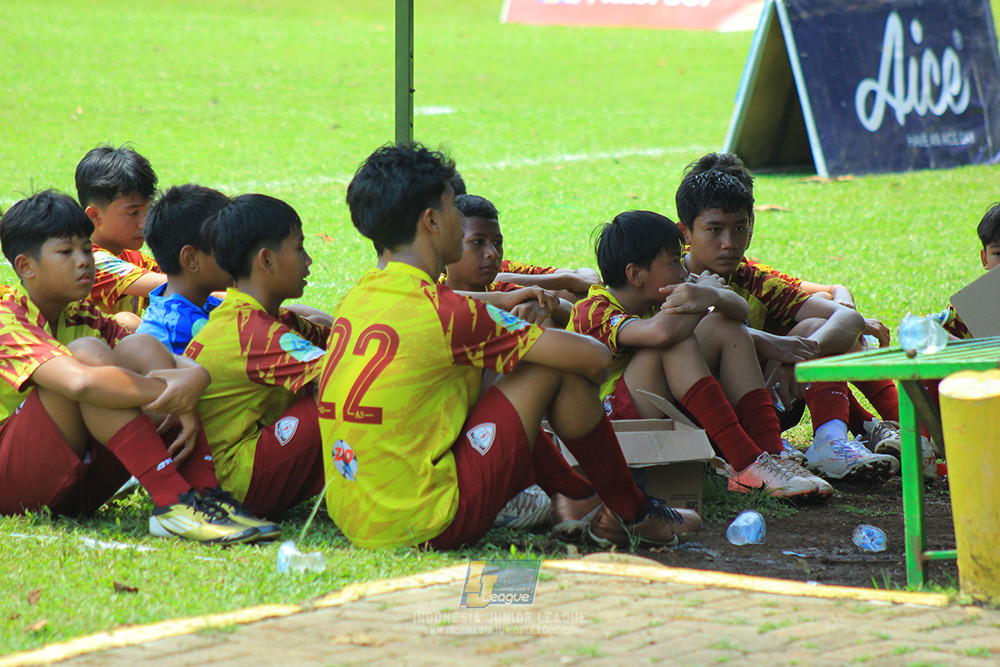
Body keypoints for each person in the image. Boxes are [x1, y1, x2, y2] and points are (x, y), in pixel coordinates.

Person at [318, 142, 701, 549]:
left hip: (356, 515)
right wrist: (524, 326)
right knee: (550, 365)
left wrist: (504, 305)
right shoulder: (449, 315)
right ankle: (631, 512)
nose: (458, 218)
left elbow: (445, 312)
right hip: (424, 523)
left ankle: (579, 496)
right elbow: (595, 357)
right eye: (452, 209)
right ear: (431, 221)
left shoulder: (356, 297)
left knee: (492, 370)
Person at [0, 190, 274, 543]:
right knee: (88, 354)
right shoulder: (6, 318)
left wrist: (194, 376)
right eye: (66, 252)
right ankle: (172, 500)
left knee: (139, 345)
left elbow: (151, 352)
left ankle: (205, 493)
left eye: (86, 249)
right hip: (12, 486)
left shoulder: (80, 314)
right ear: (25, 266)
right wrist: (170, 391)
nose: (84, 261)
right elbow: (80, 383)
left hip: (76, 489)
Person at [569, 210, 830, 499]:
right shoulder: (592, 310)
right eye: (673, 263)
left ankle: (772, 456)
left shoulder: (661, 297)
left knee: (725, 326)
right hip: (607, 423)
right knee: (675, 342)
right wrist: (702, 294)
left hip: (657, 413)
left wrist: (714, 295)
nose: (683, 272)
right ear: (635, 274)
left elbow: (739, 312)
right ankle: (744, 461)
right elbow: (662, 333)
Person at [675, 165, 899, 482]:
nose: (729, 242)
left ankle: (831, 443)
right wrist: (772, 343)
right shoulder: (667, 276)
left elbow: (847, 317)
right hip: (693, 413)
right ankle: (869, 428)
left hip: (767, 402)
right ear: (685, 232)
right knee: (727, 328)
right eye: (714, 230)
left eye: (739, 228)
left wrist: (795, 355)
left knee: (816, 327)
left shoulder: (752, 277)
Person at [185, 194, 329, 519]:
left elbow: (341, 342)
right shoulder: (253, 332)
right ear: (266, 260)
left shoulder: (262, 319)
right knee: (340, 394)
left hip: (227, 474)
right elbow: (344, 374)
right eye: (299, 249)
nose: (308, 260)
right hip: (232, 484)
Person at [444, 194, 570, 327]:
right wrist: (501, 300)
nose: (493, 253)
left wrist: (541, 303)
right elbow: (438, 300)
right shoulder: (431, 291)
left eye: (497, 243)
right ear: (447, 245)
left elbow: (570, 310)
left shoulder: (502, 290)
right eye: (478, 242)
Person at [75, 144, 166, 328]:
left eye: (148, 210)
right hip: (78, 345)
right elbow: (176, 285)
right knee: (127, 322)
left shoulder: (135, 259)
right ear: (95, 216)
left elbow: (179, 285)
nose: (144, 223)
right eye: (133, 213)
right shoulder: (89, 260)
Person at [136, 184, 233, 354]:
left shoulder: (211, 305)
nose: (239, 254)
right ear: (191, 259)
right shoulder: (163, 337)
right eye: (227, 244)